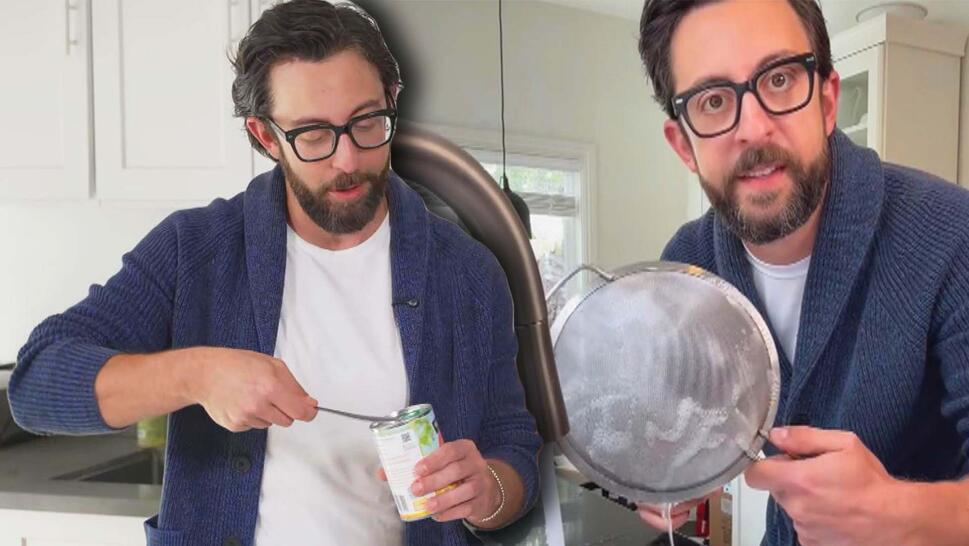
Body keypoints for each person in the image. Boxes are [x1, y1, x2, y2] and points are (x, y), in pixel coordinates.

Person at [9, 1, 541, 544]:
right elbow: (36, 385)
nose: (348, 160)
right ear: (265, 136)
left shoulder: (468, 273)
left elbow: (513, 445)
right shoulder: (195, 250)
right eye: (312, 134)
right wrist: (197, 374)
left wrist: (487, 490)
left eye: (367, 122)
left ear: (392, 101)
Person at [635, 0, 969, 544]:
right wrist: (672, 474)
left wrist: (900, 513)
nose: (754, 127)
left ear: (828, 100)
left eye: (781, 79)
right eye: (714, 100)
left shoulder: (953, 235)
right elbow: (679, 425)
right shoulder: (687, 267)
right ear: (683, 146)